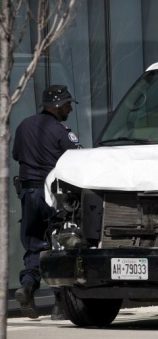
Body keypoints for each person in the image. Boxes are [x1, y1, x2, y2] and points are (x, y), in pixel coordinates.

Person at [12, 85, 80, 320]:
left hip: (29, 194)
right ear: (58, 106)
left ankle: (28, 286)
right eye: (68, 104)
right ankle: (60, 304)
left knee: (34, 245)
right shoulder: (62, 131)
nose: (70, 109)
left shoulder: (23, 126)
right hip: (52, 194)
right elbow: (76, 159)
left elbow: (17, 155)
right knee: (57, 245)